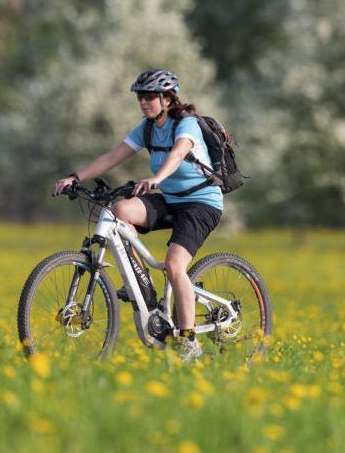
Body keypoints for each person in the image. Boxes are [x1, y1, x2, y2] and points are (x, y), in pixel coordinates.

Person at [54, 68, 223, 362]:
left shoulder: (187, 125)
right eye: (140, 97)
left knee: (174, 265)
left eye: (149, 97)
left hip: (201, 203)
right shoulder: (146, 129)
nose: (144, 102)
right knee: (118, 210)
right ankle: (139, 281)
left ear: (168, 99)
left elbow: (178, 154)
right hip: (171, 200)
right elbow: (112, 156)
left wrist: (157, 179)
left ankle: (189, 340)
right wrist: (75, 177)